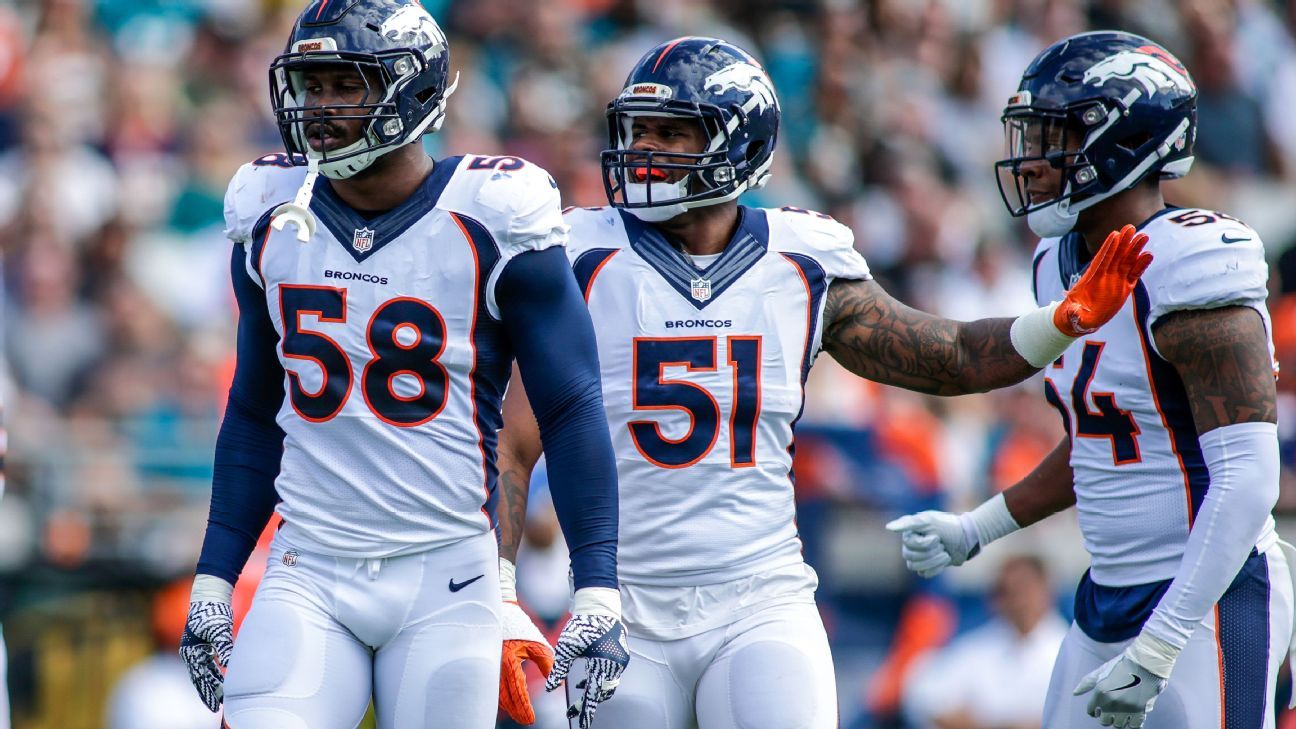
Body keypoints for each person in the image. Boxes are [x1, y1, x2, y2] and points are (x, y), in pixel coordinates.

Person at [493, 36, 1151, 729]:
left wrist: (1060, 320)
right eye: (640, 129)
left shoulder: (800, 260)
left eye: (673, 131)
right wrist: (502, 591)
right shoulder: (582, 255)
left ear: (738, 143)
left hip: (759, 601)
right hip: (620, 603)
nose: (647, 149)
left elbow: (949, 354)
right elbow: (514, 442)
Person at [176, 2, 629, 728]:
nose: (318, 107)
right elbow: (257, 411)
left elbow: (570, 407)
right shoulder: (269, 211)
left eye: (343, 85)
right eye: (311, 85)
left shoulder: (494, 213)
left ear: (413, 90)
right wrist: (212, 581)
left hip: (446, 573)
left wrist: (597, 587)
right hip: (308, 565)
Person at [888, 30, 1292, 729]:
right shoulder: (1056, 260)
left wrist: (1163, 641)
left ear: (1129, 141)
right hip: (1105, 595)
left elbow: (1250, 477)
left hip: (1207, 596)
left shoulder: (1193, 259)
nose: (1034, 160)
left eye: (1057, 135)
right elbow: (1100, 444)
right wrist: (976, 528)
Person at [903, 555, 1068, 729]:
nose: (1017, 601)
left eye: (1022, 589)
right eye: (1006, 591)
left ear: (1046, 590)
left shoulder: (1070, 650)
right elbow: (924, 702)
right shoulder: (975, 648)